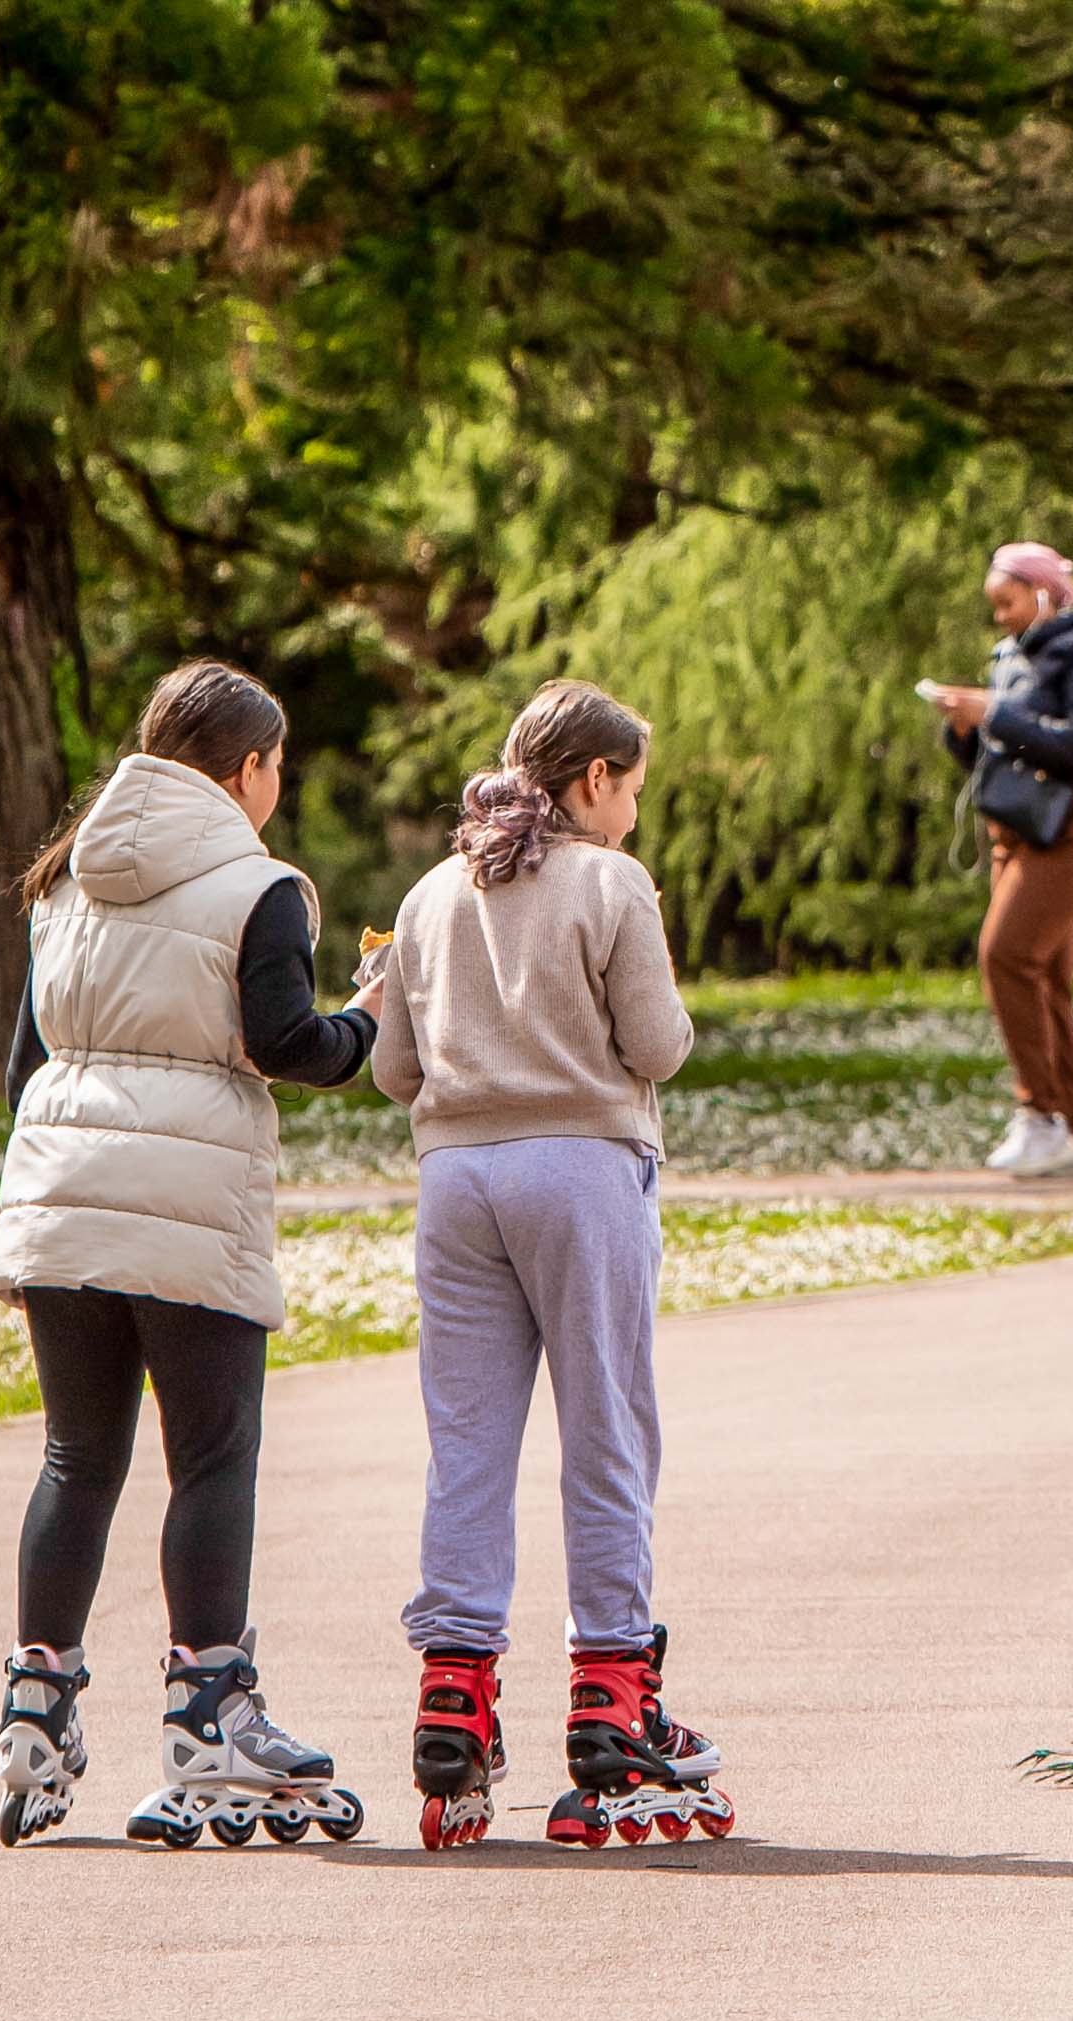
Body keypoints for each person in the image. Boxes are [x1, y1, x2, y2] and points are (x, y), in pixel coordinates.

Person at [0, 661, 378, 1849]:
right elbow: (285, 1041)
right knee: (213, 1455)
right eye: (277, 764)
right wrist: (370, 1024)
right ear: (247, 768)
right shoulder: (259, 889)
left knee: (76, 1457)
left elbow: (27, 1064)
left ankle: (35, 1712)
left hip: (58, 1200)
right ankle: (209, 1705)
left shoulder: (67, 879)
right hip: (190, 1198)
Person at [369, 679, 734, 1850]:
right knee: (605, 1429)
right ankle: (612, 1700)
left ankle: (455, 1693)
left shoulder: (432, 892)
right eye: (632, 786)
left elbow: (392, 1072)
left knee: (467, 1442)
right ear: (594, 782)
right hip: (579, 1166)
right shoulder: (611, 882)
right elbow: (658, 1047)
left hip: (456, 1181)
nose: (635, 808)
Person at [919, 540, 1073, 1180]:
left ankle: (1038, 1115)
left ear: (1044, 595)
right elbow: (999, 758)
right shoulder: (1011, 658)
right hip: (1015, 832)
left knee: (1006, 955)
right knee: (1047, 980)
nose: (999, 618)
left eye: (1006, 603)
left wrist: (997, 714)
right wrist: (963, 728)